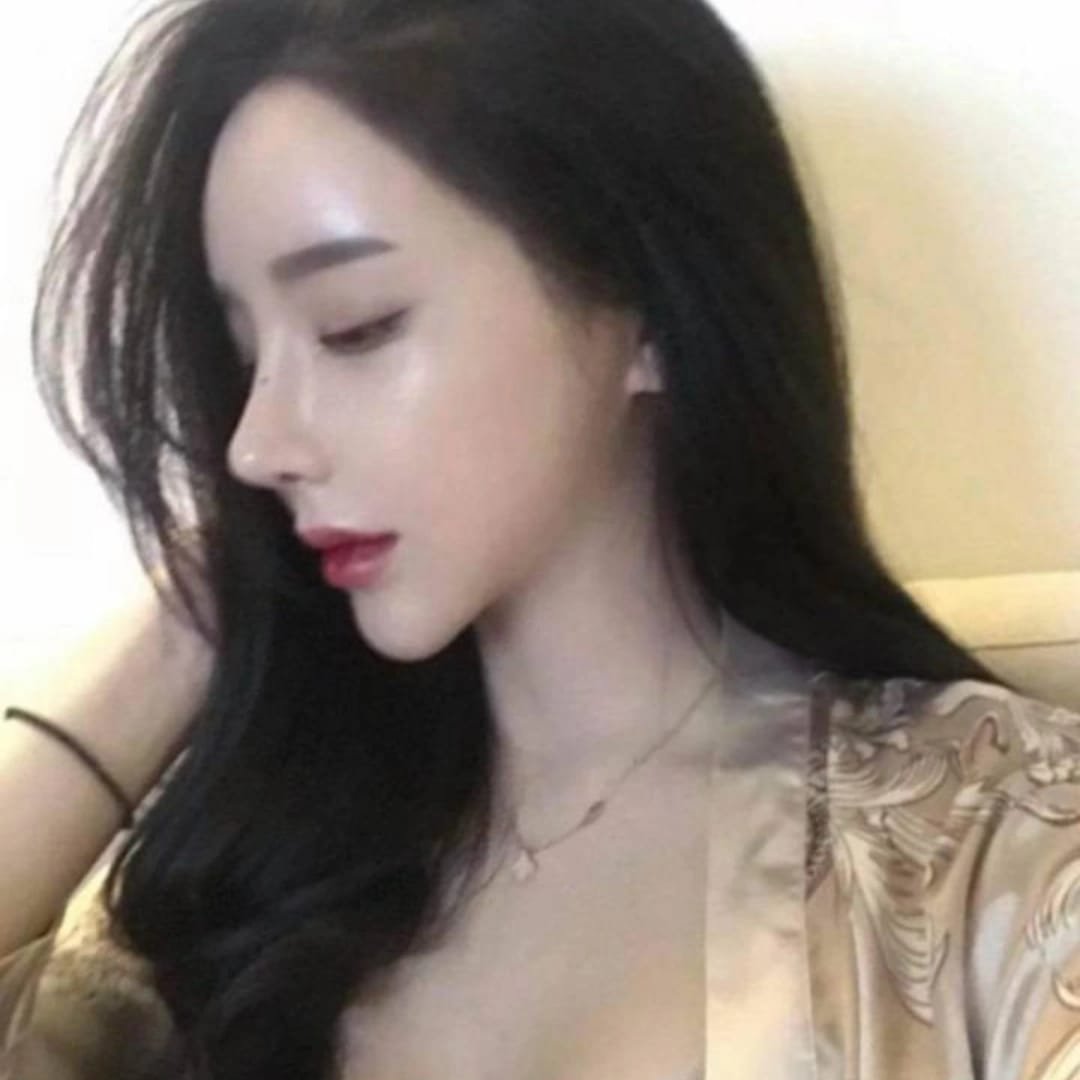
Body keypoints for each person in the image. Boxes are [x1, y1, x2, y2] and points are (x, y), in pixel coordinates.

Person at [2, 0, 1079, 1077]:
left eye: (355, 327)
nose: (254, 444)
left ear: (649, 306)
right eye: (245, 357)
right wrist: (188, 621)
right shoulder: (227, 876)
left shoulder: (995, 843)